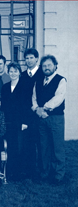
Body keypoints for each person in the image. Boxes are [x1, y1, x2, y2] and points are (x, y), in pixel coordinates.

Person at [32, 55, 66, 185]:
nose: (46, 68)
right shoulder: (38, 81)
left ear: (55, 66)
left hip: (55, 118)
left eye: (49, 65)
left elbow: (58, 98)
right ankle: (45, 173)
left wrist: (44, 108)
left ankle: (58, 175)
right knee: (44, 147)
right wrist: (37, 110)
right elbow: (33, 98)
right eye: (44, 66)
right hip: (41, 119)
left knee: (57, 148)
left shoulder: (61, 80)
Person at [19, 48, 44, 180]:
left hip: (40, 115)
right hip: (26, 116)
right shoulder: (22, 76)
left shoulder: (42, 74)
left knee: (41, 144)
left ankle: (41, 171)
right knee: (27, 143)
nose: (28, 60)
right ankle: (29, 171)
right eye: (26, 58)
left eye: (31, 58)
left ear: (36, 59)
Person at [0, 62, 25, 181]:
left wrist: (25, 122)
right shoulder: (5, 87)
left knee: (19, 147)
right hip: (7, 122)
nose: (13, 73)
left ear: (19, 72)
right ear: (8, 73)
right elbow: (3, 106)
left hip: (20, 123)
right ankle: (9, 172)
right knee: (9, 147)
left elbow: (27, 105)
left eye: (15, 71)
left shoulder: (25, 86)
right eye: (11, 71)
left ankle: (18, 173)